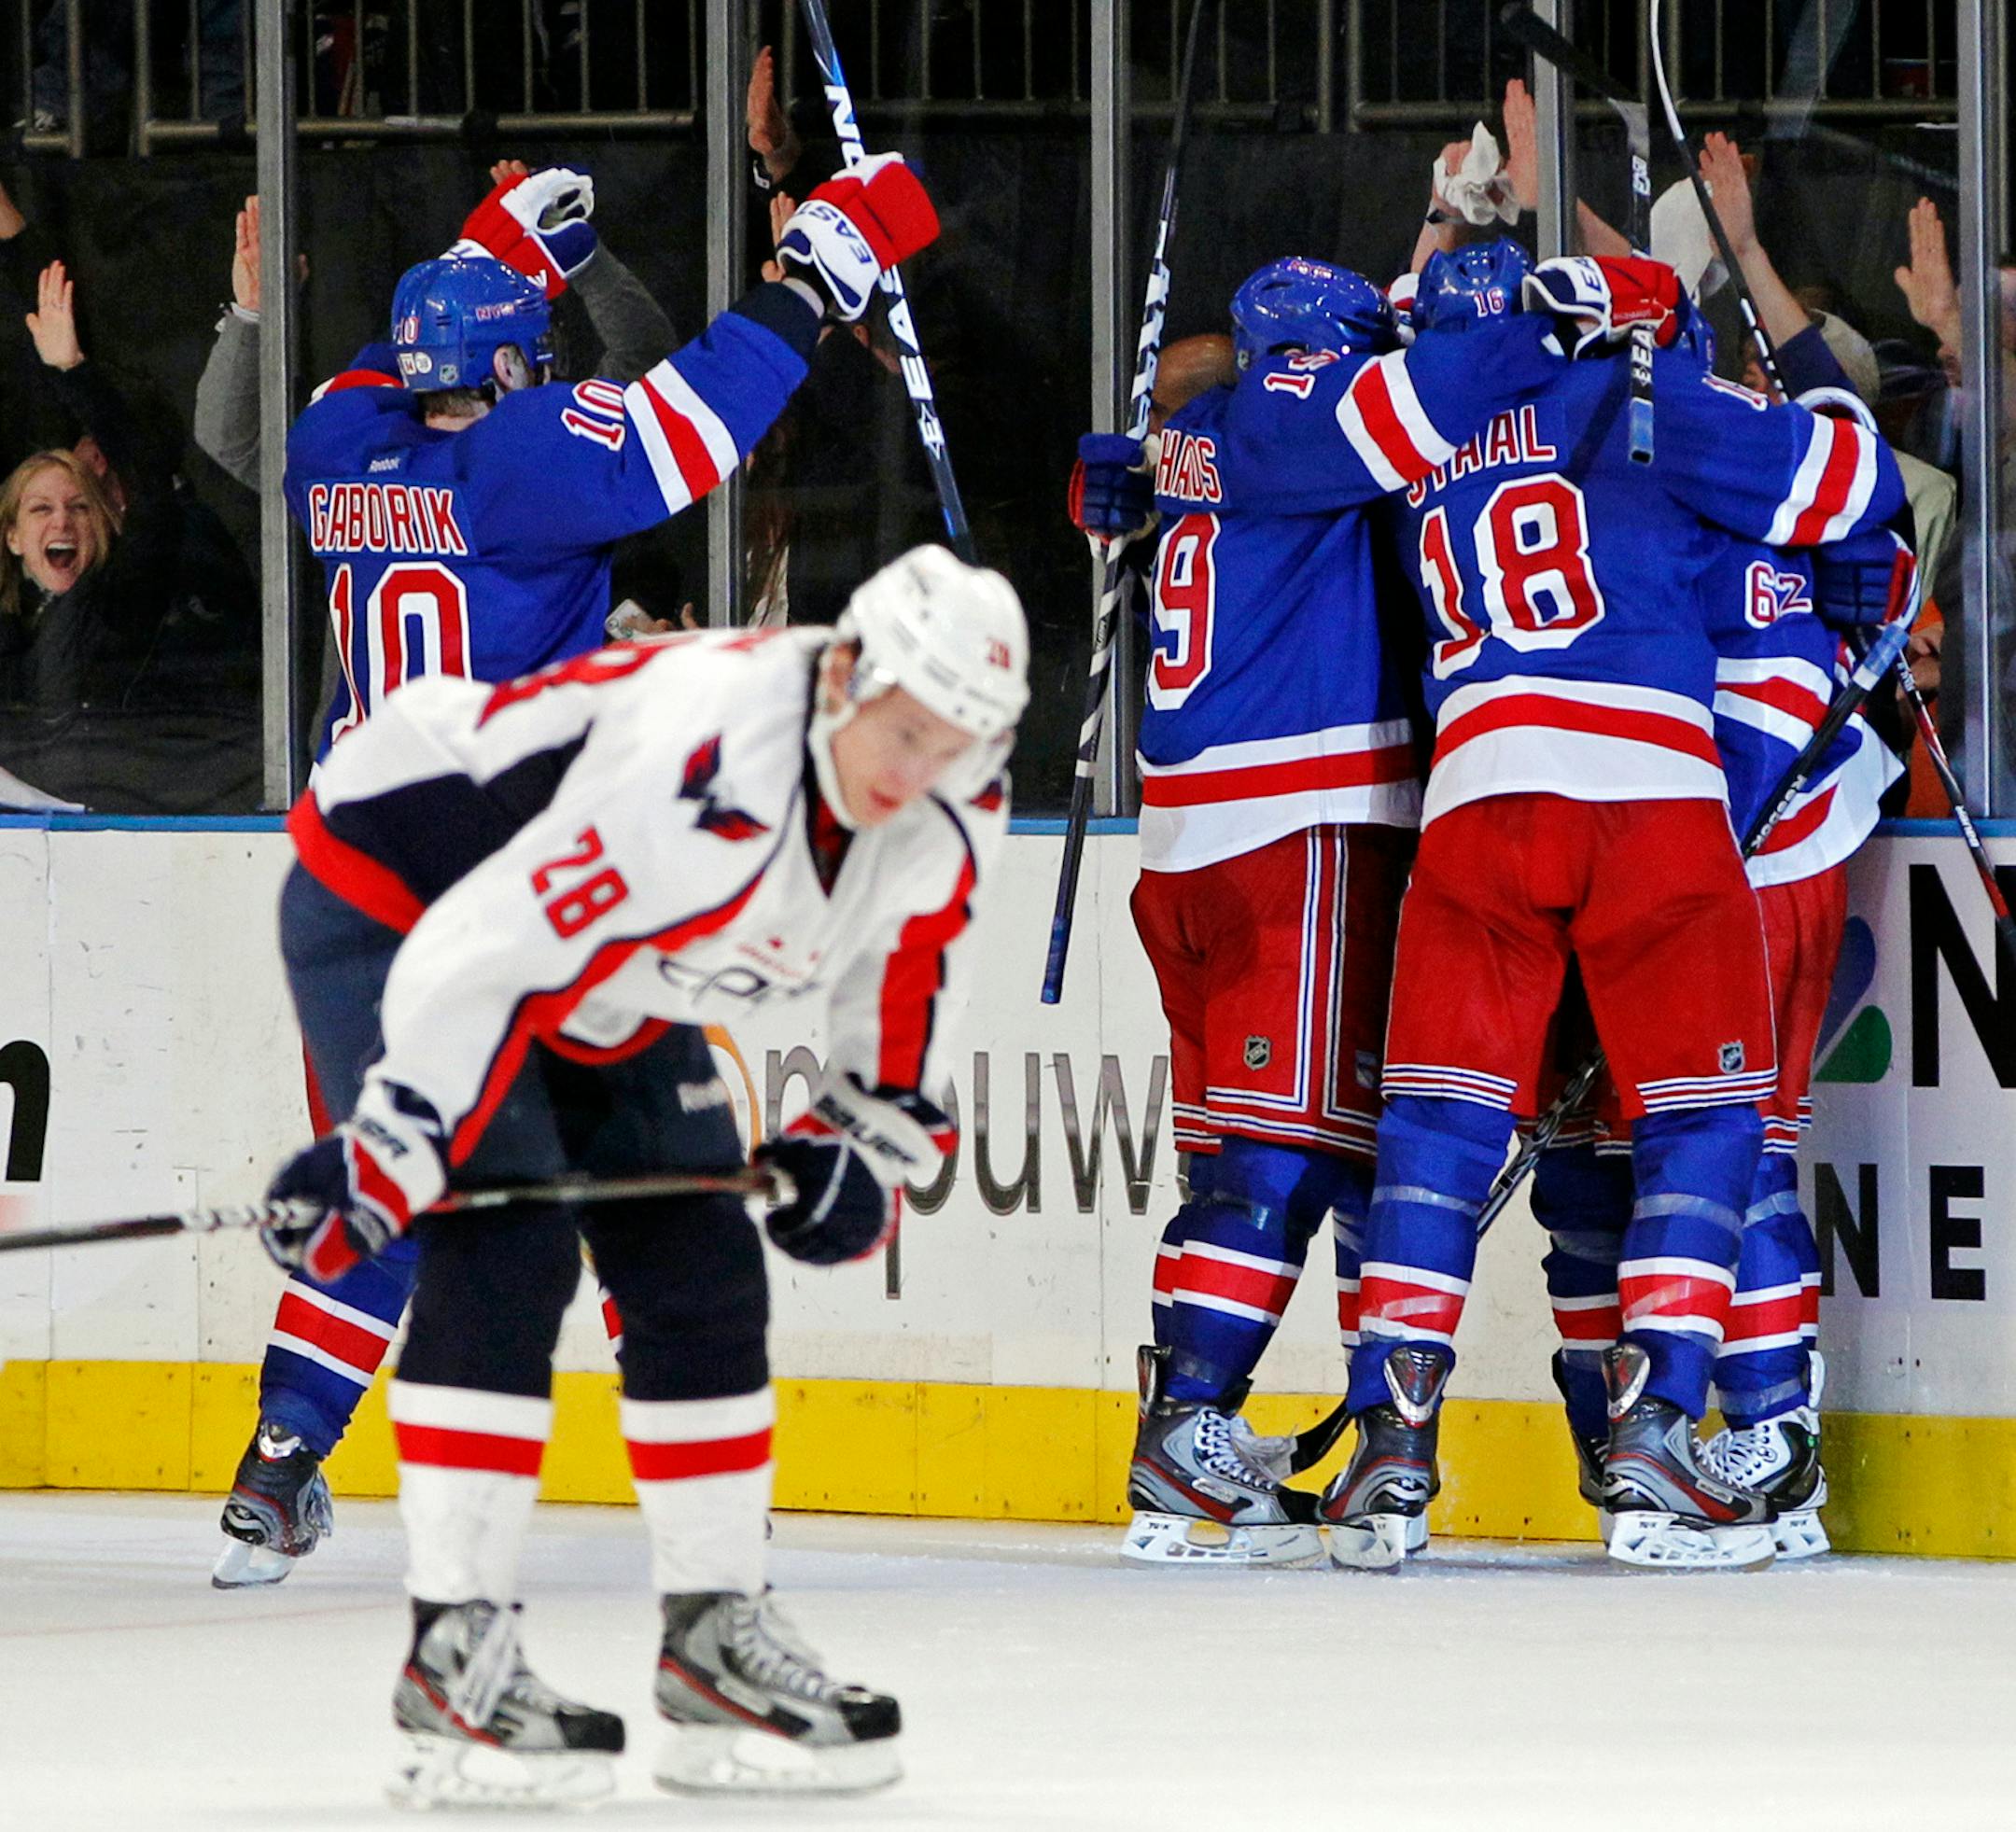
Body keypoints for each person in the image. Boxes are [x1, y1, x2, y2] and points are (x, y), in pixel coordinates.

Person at [210, 149, 941, 1587]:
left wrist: (502, 246)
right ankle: (709, 1513)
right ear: (515, 368)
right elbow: (699, 414)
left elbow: (386, 365)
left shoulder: (336, 448)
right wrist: (821, 269)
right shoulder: (523, 466)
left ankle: (282, 1460)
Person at [254, 546, 1024, 1805]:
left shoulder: (950, 788)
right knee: (507, 1244)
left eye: (956, 742)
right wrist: (395, 1143)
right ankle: (455, 1661)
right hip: (401, 890)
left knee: (700, 1258)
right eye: (905, 731)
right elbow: (481, 952)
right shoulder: (700, 768)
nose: (921, 769)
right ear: (844, 673)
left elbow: (910, 960)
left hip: (596, 952)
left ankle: (717, 1641)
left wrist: (867, 1137)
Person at [1337, 247, 1907, 1571]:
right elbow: (1857, 484)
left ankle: (1391, 1444)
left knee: (1438, 1124)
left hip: (1476, 795)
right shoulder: (1643, 402)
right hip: (1651, 792)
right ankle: (1660, 1430)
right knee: (1712, 1121)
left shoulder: (1422, 424)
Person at [1070, 251, 1589, 1567]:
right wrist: (1545, 322)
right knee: (1279, 1163)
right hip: (1297, 828)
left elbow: (1194, 401)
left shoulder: (1203, 431)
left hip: (1193, 839)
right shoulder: (1306, 415)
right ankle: (1189, 1433)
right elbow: (1407, 404)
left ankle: (1363, 1437)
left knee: (1322, 1148)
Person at [1533, 318, 1913, 1565]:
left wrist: (1881, 561)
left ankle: (1769, 1436)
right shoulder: (1725, 468)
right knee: (1651, 1154)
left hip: (1744, 858)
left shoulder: (1725, 461)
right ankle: (1670, 1437)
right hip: (1706, 853)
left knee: (1727, 1146)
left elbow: (1863, 470)